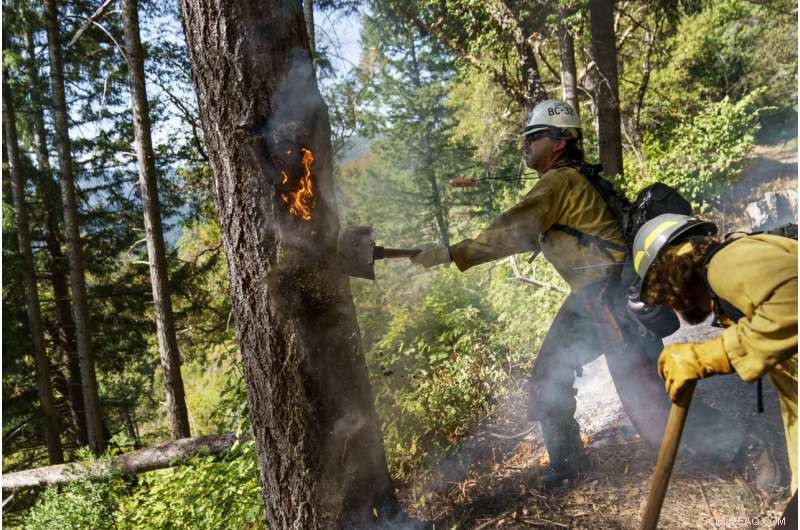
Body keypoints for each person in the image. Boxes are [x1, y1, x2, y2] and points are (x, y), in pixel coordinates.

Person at [410, 100, 745, 489]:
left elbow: (515, 227)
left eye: (534, 136)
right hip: (593, 297)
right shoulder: (572, 180)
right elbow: (538, 232)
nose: (526, 143)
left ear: (559, 142)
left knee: (647, 395)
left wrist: (454, 252)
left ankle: (739, 449)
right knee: (549, 376)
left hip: (608, 297)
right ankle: (568, 465)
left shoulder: (560, 182)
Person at [633, 213, 797, 497]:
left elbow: (793, 297)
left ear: (674, 271)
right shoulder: (727, 266)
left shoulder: (725, 264)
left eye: (665, 294)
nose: (673, 305)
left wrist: (708, 356)